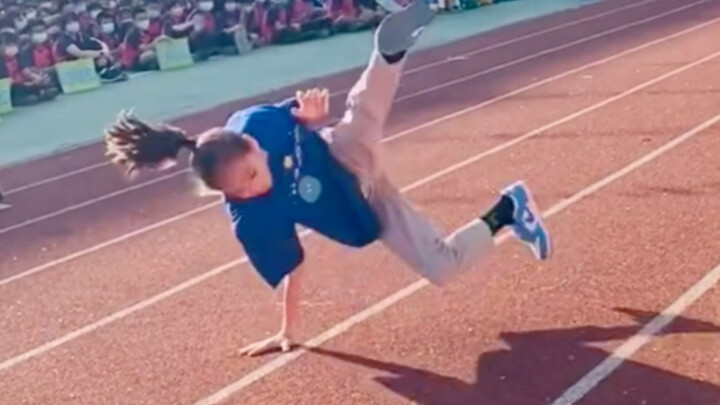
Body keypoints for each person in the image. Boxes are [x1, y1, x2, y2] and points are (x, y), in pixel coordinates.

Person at [103, 0, 551, 356]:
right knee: (442, 267)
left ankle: (388, 51)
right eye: (247, 183)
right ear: (232, 195)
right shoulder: (252, 220)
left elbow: (297, 117)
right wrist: (287, 332)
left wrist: (312, 120)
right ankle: (510, 210)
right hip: (364, 203)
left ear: (253, 144)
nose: (257, 175)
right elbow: (292, 266)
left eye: (256, 162)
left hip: (339, 153)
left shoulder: (256, 126)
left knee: (361, 118)